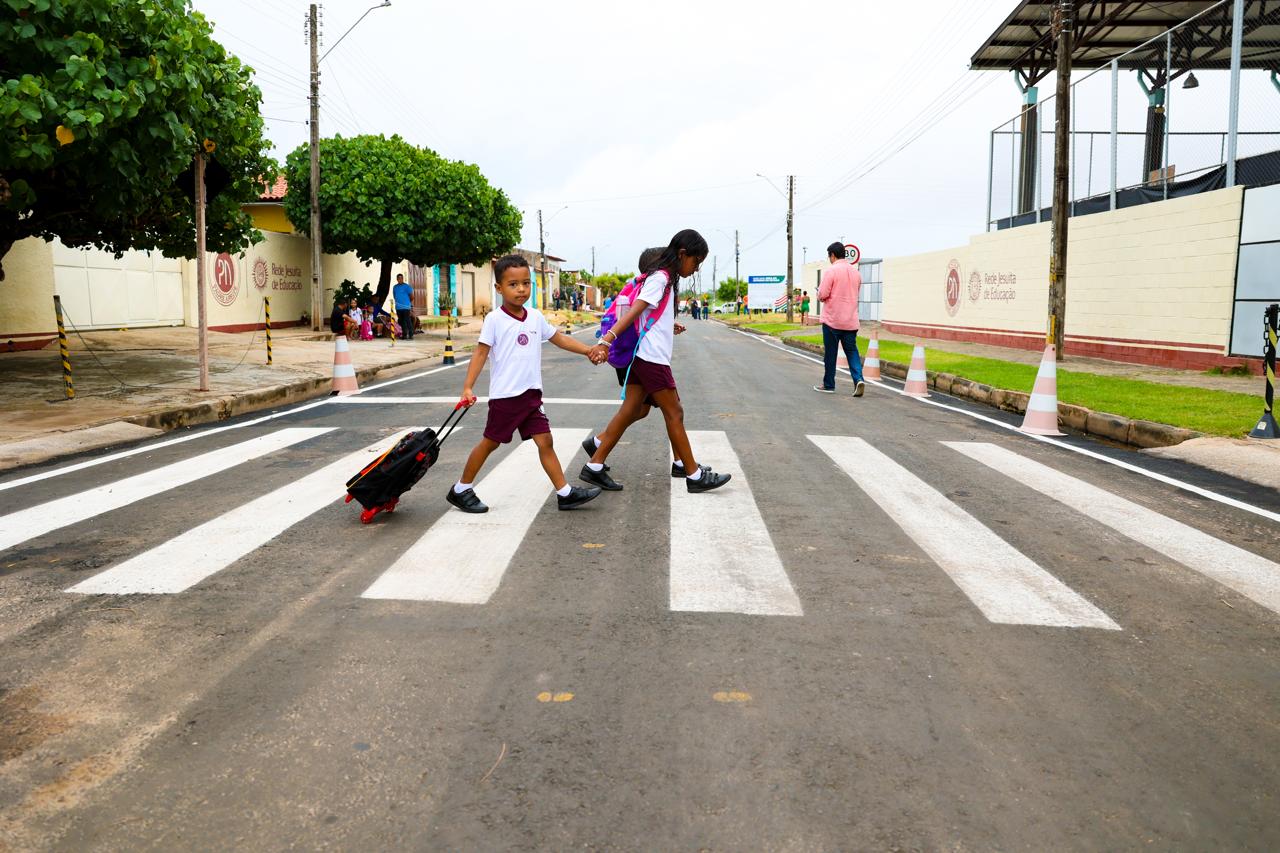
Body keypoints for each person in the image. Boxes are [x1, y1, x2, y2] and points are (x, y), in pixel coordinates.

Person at [448, 254, 606, 514]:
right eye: (513, 284)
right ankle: (461, 488)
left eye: (525, 283)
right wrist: (468, 387)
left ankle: (564, 493)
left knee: (545, 441)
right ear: (499, 288)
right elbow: (480, 353)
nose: (521, 289)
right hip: (507, 396)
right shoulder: (494, 320)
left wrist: (588, 350)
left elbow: (559, 339)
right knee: (490, 443)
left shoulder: (534, 317)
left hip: (531, 395)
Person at [581, 230, 731, 494]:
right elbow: (636, 310)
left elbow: (647, 316)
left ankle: (594, 465)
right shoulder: (661, 278)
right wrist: (607, 339)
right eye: (696, 262)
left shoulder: (665, 279)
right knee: (675, 412)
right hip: (651, 359)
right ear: (683, 254)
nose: (695, 270)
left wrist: (666, 325)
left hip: (645, 356)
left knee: (631, 410)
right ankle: (693, 475)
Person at [814, 241, 865, 397]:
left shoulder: (832, 271)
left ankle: (829, 384)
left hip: (832, 320)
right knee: (852, 351)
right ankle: (858, 380)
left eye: (829, 256)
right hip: (850, 320)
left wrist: (818, 292)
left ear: (833, 255)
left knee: (831, 353)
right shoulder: (856, 273)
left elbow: (823, 294)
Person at [392, 273, 415, 341]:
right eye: (398, 278)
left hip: (406, 307)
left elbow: (412, 296)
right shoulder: (395, 287)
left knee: (407, 320)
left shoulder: (407, 286)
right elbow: (394, 296)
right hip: (398, 307)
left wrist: (407, 303)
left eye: (401, 278)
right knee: (401, 321)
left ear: (403, 279)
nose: (400, 279)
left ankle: (411, 334)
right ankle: (404, 335)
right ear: (397, 279)